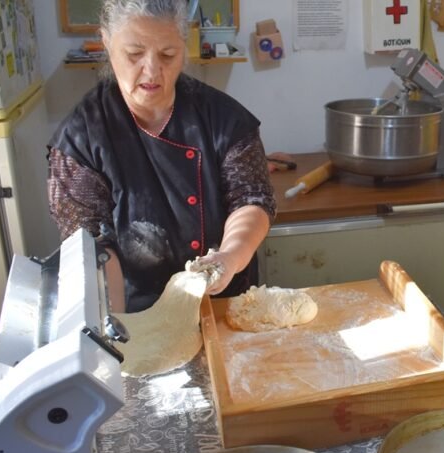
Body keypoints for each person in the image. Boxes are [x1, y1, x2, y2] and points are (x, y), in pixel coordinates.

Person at [48, 0, 276, 313]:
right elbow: (93, 246)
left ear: (184, 45)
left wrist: (230, 257)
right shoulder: (81, 138)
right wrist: (116, 326)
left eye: (167, 55)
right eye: (134, 54)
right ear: (106, 42)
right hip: (138, 306)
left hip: (224, 300)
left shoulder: (225, 119)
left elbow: (251, 201)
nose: (152, 70)